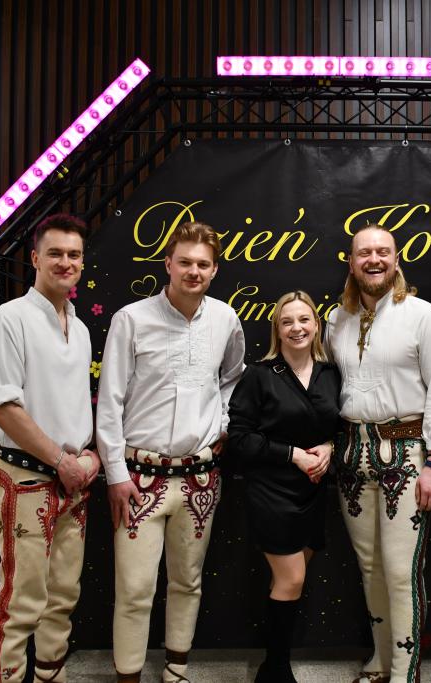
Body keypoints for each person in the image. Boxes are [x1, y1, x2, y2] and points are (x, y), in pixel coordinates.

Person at [96, 221, 245, 683]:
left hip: (201, 477)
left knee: (188, 581)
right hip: (139, 477)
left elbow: (233, 377)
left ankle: (177, 669)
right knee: (135, 587)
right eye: (185, 262)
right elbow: (109, 401)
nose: (193, 271)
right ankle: (128, 676)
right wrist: (115, 473)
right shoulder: (131, 319)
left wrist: (222, 422)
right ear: (168, 264)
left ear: (214, 270)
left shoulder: (226, 319)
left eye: (203, 264)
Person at [326, 223, 431, 683]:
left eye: (383, 251)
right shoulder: (337, 319)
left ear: (396, 259)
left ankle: (406, 671)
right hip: (352, 451)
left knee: (401, 570)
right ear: (351, 262)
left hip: (407, 452)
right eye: (364, 253)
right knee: (370, 567)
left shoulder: (423, 316)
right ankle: (382, 660)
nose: (374, 260)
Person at [0, 213, 99, 683]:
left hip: (73, 479)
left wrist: (88, 455)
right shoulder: (10, 319)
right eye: (55, 253)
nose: (65, 262)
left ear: (82, 262)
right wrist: (61, 460)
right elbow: (3, 408)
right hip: (27, 477)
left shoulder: (80, 327)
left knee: (62, 596)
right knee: (21, 601)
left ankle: (52, 675)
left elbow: (73, 404)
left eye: (74, 255)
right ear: (34, 258)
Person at [227, 290, 341, 683]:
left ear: (316, 325)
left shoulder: (330, 374)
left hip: (312, 491)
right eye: (287, 321)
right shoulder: (259, 375)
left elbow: (339, 426)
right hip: (271, 491)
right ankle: (277, 670)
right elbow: (240, 438)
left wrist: (329, 447)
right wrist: (292, 454)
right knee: (292, 580)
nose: (297, 328)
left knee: (288, 582)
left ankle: (270, 666)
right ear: (277, 328)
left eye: (304, 319)